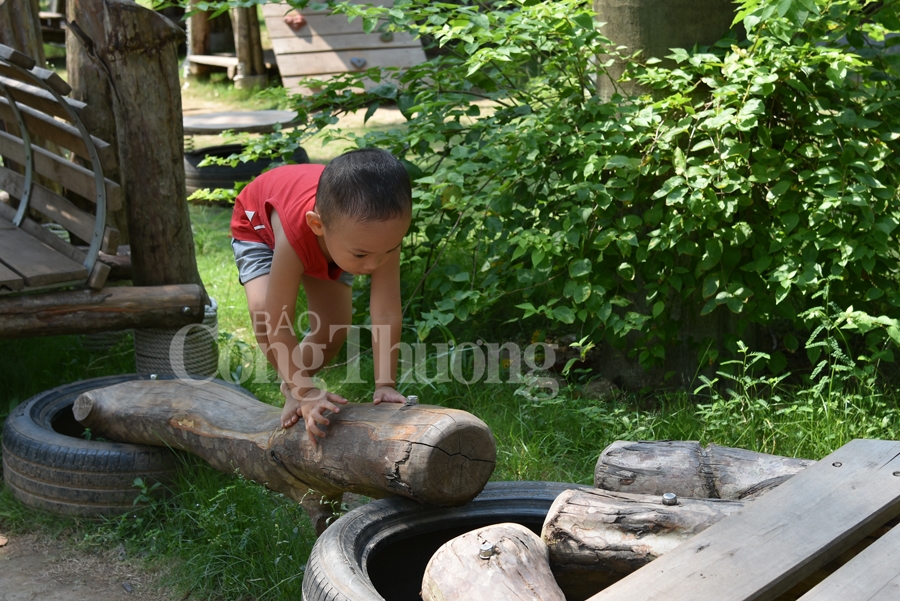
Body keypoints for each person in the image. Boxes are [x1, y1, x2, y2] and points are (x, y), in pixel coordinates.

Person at [230, 148, 412, 443]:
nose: (372, 266)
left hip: (335, 239)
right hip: (261, 226)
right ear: (319, 225)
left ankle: (290, 385)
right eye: (362, 255)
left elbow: (386, 312)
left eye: (389, 251)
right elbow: (278, 320)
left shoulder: (378, 238)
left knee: (333, 329)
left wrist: (385, 384)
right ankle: (297, 389)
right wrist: (306, 392)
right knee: (264, 311)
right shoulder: (301, 234)